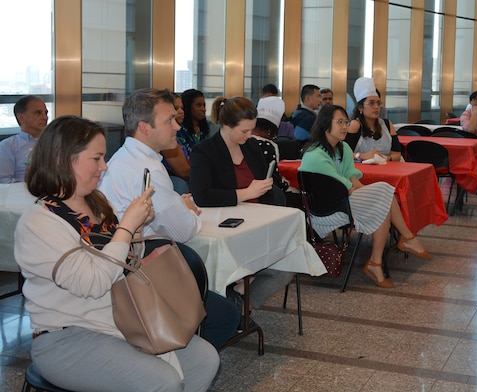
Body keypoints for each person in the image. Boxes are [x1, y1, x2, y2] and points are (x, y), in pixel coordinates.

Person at [15, 115, 219, 391]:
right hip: (66, 336)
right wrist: (127, 227)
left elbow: (121, 260)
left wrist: (135, 233)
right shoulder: (40, 222)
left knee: (205, 359)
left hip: (120, 319)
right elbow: (93, 282)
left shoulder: (97, 203)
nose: (104, 166)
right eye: (96, 158)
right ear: (64, 159)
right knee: (163, 381)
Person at [98, 88, 239, 350]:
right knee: (226, 316)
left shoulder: (121, 158)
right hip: (139, 275)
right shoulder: (148, 169)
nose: (177, 126)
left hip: (121, 266)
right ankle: (176, 363)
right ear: (144, 127)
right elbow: (183, 231)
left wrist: (179, 205)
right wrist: (187, 210)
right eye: (169, 120)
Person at [300, 105, 431, 289]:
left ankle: (377, 263)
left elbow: (351, 175)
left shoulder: (343, 147)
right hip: (327, 209)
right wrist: (365, 192)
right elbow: (340, 184)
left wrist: (365, 191)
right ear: (324, 125)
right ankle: (406, 238)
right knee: (384, 192)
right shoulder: (315, 154)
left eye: (346, 122)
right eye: (339, 122)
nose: (345, 126)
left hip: (343, 200)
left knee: (383, 199)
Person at [189, 96, 293, 311]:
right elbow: (203, 196)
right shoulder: (205, 151)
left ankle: (242, 305)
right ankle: (235, 303)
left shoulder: (252, 147)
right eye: (244, 131)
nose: (249, 135)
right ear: (226, 125)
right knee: (241, 265)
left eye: (252, 129)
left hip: (256, 222)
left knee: (287, 265)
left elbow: (266, 192)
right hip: (226, 228)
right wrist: (245, 193)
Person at [254, 96, 302, 209]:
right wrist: (287, 184)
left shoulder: (246, 140)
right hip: (268, 195)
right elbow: (274, 178)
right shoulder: (269, 145)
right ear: (270, 131)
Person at [346, 77, 403, 162]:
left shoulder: (387, 124)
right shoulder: (355, 125)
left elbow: (397, 154)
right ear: (360, 107)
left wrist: (386, 158)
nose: (376, 107)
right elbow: (343, 154)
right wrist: (362, 155)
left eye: (378, 103)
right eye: (371, 103)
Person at [0, 95, 48, 183]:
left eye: (46, 113)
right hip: (22, 193)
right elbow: (4, 181)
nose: (45, 117)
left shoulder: (55, 142)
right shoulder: (8, 146)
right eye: (38, 113)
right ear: (21, 117)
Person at [160, 92, 191, 194]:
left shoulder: (179, 134)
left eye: (182, 108)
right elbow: (184, 172)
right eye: (176, 108)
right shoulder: (165, 139)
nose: (181, 111)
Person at [179, 89, 210, 157]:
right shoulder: (179, 130)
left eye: (204, 105)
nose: (203, 109)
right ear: (187, 106)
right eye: (198, 105)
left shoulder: (204, 129)